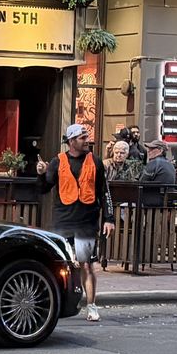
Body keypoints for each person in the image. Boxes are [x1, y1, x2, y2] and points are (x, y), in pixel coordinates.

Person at [36, 123, 116, 321]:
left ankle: (91, 305)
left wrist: (109, 218)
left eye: (86, 136)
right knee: (59, 265)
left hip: (86, 222)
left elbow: (104, 191)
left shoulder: (95, 162)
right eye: (82, 137)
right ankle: (55, 305)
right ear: (71, 141)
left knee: (86, 265)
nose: (86, 140)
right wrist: (40, 174)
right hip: (62, 222)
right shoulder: (57, 161)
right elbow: (44, 189)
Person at [140, 139, 177, 204]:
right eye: (149, 149)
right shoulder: (170, 164)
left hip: (152, 204)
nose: (148, 151)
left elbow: (142, 182)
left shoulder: (154, 163)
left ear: (160, 150)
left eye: (152, 149)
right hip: (168, 202)